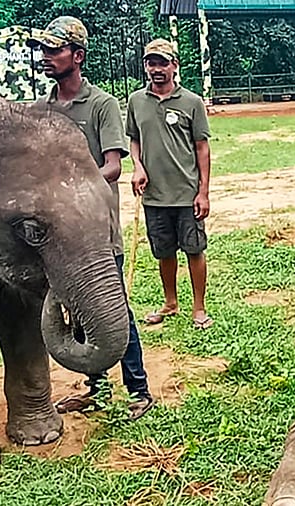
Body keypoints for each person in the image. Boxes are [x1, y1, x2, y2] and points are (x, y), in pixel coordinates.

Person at [27, 16, 154, 420]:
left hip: (96, 231)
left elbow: (112, 167)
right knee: (77, 309)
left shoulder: (102, 105)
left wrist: (64, 197)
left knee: (112, 308)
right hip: (57, 235)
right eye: (44, 50)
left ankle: (138, 389)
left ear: (77, 56)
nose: (46, 57)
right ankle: (98, 389)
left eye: (55, 50)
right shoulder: (42, 109)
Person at [127, 39, 213, 330]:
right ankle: (170, 303)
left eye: (162, 63)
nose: (157, 69)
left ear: (174, 66)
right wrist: (137, 166)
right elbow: (134, 139)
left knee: (194, 249)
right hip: (153, 195)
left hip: (187, 194)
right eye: (151, 63)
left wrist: (203, 192)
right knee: (163, 251)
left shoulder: (192, 102)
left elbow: (202, 148)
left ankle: (199, 308)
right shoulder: (136, 101)